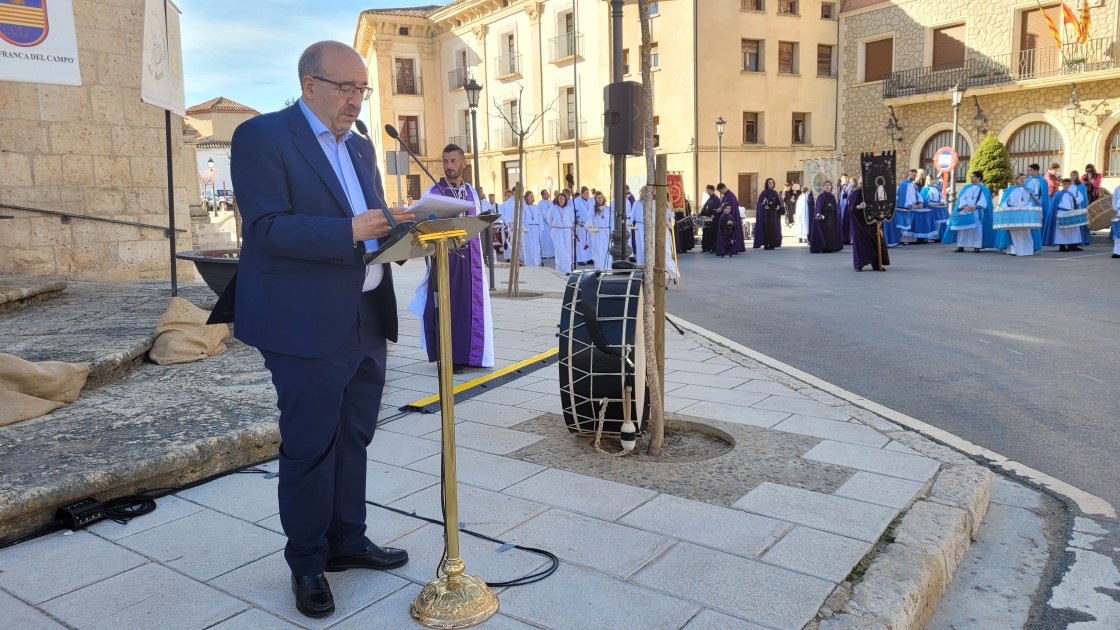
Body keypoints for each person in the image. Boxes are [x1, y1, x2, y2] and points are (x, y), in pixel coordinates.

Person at [220, 41, 415, 619]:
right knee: (309, 445)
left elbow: (371, 223)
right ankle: (306, 561)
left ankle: (346, 540)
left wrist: (407, 228)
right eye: (344, 88)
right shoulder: (262, 138)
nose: (356, 101)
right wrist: (351, 230)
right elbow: (267, 228)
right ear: (309, 84)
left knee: (355, 434)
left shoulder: (358, 148)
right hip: (303, 321)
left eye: (362, 90)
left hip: (365, 314)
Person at [410, 143, 495, 374]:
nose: (449, 166)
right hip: (445, 259)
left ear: (463, 164)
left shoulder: (471, 192)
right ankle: (449, 358)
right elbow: (422, 225)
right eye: (445, 161)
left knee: (469, 306)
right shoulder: (435, 192)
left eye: (453, 161)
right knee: (447, 307)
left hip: (470, 260)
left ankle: (470, 354)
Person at [944, 171, 994, 252]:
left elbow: (984, 200)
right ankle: (961, 246)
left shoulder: (984, 189)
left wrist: (975, 207)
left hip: (976, 211)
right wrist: (965, 206)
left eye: (973, 176)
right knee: (962, 228)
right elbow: (961, 198)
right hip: (965, 210)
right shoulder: (966, 188)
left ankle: (976, 246)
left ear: (978, 178)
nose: (971, 178)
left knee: (976, 229)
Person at [994, 173, 1043, 257]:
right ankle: (1015, 250)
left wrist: (1026, 207)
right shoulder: (1010, 190)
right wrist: (1007, 209)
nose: (1023, 180)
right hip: (1013, 213)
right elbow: (1004, 202)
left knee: (1026, 232)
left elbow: (1030, 202)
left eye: (1024, 178)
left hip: (1025, 213)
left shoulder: (1028, 190)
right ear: (1016, 179)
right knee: (1015, 232)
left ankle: (1028, 250)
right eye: (1021, 178)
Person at [846, 183, 890, 271]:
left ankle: (876, 264)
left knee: (876, 242)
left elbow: (880, 207)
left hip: (873, 222)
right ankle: (859, 264)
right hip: (861, 223)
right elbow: (851, 208)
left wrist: (880, 219)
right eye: (862, 183)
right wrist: (859, 206)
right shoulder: (856, 193)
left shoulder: (875, 192)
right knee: (861, 243)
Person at [1043, 178, 1087, 252]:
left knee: (1074, 229)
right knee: (1061, 231)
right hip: (1061, 214)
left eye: (1068, 184)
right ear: (1062, 185)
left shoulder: (1071, 194)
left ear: (1070, 185)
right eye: (1064, 184)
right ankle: (1062, 246)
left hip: (1071, 213)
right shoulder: (1058, 194)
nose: (1066, 186)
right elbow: (1054, 206)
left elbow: (1074, 204)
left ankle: (1072, 245)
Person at [899, 169, 936, 242]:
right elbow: (904, 197)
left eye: (915, 175)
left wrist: (920, 202)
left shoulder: (913, 185)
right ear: (909, 174)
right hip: (907, 207)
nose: (914, 177)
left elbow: (917, 194)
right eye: (913, 175)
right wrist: (911, 204)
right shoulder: (904, 184)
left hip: (915, 206)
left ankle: (920, 238)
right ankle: (907, 239)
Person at [809, 180, 841, 253]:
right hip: (824, 218)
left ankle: (831, 247)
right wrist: (818, 214)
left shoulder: (832, 196)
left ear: (831, 187)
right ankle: (824, 247)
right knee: (825, 232)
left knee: (831, 233)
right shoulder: (821, 196)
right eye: (825, 185)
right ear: (823, 187)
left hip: (832, 217)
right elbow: (818, 207)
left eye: (828, 185)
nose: (827, 186)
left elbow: (835, 207)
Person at [547, 191, 575, 274]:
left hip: (567, 230)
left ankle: (568, 269)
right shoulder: (553, 208)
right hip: (557, 230)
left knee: (568, 250)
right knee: (560, 250)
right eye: (560, 198)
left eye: (563, 198)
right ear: (557, 199)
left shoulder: (569, 208)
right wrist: (555, 227)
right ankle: (560, 269)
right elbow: (549, 219)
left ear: (565, 200)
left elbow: (572, 219)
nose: (561, 200)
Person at [753, 177, 783, 250]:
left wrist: (778, 206)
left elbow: (778, 203)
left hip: (773, 215)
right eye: (769, 182)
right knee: (766, 230)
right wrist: (764, 206)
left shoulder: (775, 192)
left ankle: (772, 244)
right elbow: (761, 204)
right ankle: (766, 244)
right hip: (766, 215)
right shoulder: (764, 193)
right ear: (767, 183)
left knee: (773, 229)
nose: (771, 184)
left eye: (772, 182)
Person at [717, 183, 745, 253]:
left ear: (723, 188)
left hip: (731, 218)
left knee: (731, 234)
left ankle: (733, 249)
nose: (720, 193)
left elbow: (730, 208)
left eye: (720, 191)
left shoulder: (730, 196)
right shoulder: (726, 195)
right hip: (728, 217)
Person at [589, 191, 613, 269]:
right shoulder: (592, 209)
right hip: (597, 232)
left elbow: (612, 221)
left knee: (607, 251)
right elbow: (589, 221)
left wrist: (612, 232)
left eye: (601, 198)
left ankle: (608, 268)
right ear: (595, 199)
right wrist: (592, 229)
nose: (600, 199)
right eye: (598, 198)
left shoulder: (607, 209)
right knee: (598, 251)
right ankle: (599, 268)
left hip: (606, 232)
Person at [1068, 170, 1092, 246]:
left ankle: (1082, 239)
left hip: (1079, 206)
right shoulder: (1068, 185)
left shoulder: (1081, 185)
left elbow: (1083, 197)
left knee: (1080, 224)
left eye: (1074, 175)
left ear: (1077, 176)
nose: (1072, 177)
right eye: (1071, 175)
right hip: (1071, 207)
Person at [573, 186, 594, 265]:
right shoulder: (577, 201)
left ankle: (589, 258)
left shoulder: (591, 200)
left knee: (589, 241)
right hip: (581, 225)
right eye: (585, 193)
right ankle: (580, 259)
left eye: (588, 193)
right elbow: (574, 212)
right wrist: (577, 221)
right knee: (581, 241)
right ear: (581, 193)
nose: (587, 194)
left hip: (589, 224)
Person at [520, 190, 543, 266]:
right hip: (527, 228)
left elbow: (540, 217)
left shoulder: (536, 207)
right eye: (529, 196)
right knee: (528, 247)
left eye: (532, 196)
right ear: (526, 197)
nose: (531, 198)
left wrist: (541, 228)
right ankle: (529, 264)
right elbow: (521, 219)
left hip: (536, 228)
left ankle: (536, 263)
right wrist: (523, 228)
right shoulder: (523, 207)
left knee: (536, 247)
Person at [699, 184, 721, 252]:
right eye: (706, 190)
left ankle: (711, 247)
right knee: (706, 234)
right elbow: (705, 208)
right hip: (707, 220)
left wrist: (713, 215)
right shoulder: (709, 198)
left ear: (712, 190)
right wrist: (700, 214)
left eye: (708, 190)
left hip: (712, 220)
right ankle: (706, 247)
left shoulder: (716, 199)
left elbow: (717, 209)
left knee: (711, 235)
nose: (707, 192)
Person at [538, 189, 555, 260]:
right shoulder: (540, 203)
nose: (548, 194)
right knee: (546, 240)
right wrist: (549, 221)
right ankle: (545, 254)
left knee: (551, 239)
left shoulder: (551, 202)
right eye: (546, 193)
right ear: (543, 195)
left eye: (548, 193)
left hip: (552, 224)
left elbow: (553, 211)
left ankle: (552, 253)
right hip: (545, 224)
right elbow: (543, 214)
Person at [499, 189, 516, 261]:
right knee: (506, 240)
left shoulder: (514, 203)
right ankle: (508, 257)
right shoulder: (502, 205)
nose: (509, 196)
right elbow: (501, 215)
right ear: (505, 196)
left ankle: (514, 256)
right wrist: (506, 222)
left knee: (513, 241)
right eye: (507, 195)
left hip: (513, 224)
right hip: (506, 225)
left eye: (510, 195)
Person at [1112, 185, 1120, 258]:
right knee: (1118, 233)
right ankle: (1117, 252)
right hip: (1119, 213)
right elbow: (1114, 201)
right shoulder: (1117, 188)